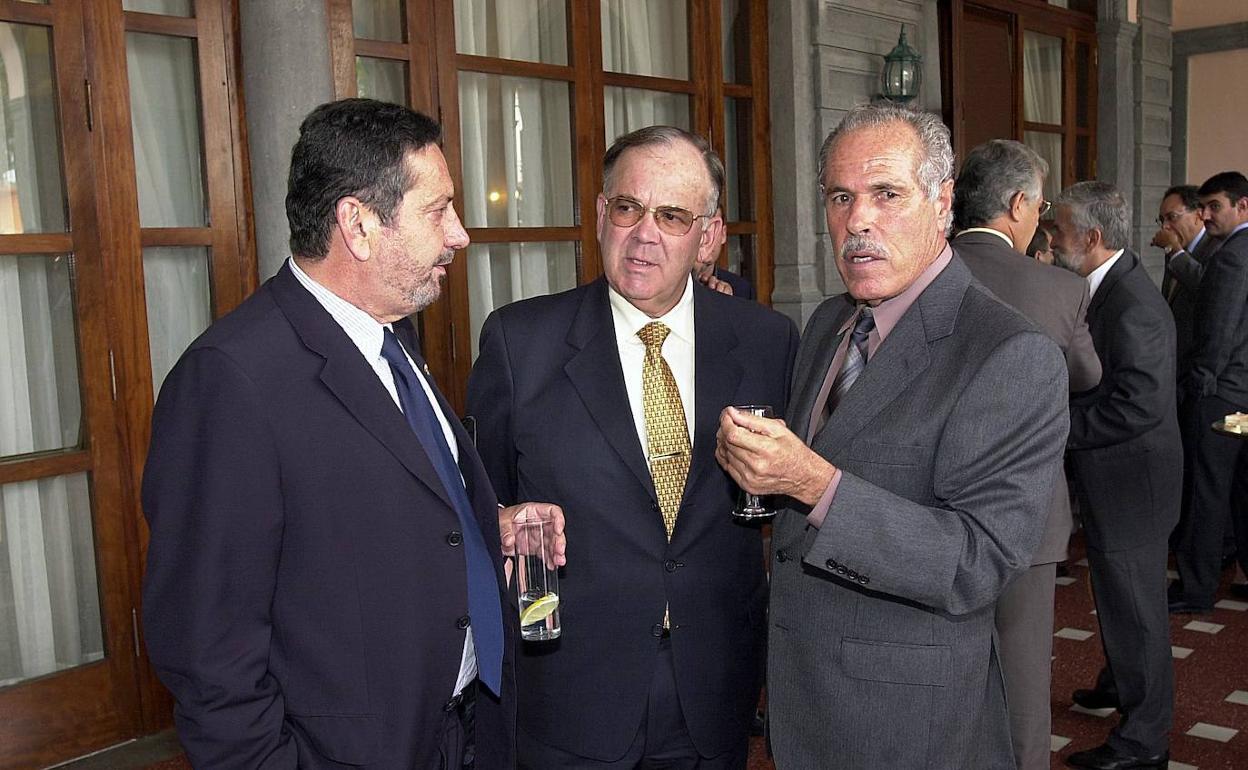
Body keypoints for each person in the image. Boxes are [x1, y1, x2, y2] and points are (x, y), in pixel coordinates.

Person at [142, 98, 566, 769]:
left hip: (464, 731)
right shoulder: (230, 381)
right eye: (438, 211)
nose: (460, 234)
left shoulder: (394, 341)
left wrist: (488, 522)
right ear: (358, 224)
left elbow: (377, 508)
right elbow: (207, 649)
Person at [715, 102, 1068, 769]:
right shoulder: (828, 322)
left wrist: (812, 484)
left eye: (887, 194)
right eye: (840, 197)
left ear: (942, 204)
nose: (858, 221)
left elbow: (977, 561)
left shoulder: (1008, 352)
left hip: (910, 723)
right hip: (802, 695)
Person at [467, 126, 797, 769]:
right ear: (599, 215)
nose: (645, 233)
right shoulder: (520, 343)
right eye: (628, 208)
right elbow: (483, 504)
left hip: (714, 685)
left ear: (707, 236)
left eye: (671, 216)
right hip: (571, 691)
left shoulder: (765, 340)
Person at [951, 138, 1102, 770]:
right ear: (1017, 205)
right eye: (1039, 206)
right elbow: (1088, 376)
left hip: (924, 508)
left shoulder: (919, 272)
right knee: (1020, 690)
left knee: (932, 675)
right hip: (1027, 511)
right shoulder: (1057, 291)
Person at [1051, 181, 1180, 770]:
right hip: (1121, 480)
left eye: (1060, 232)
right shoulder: (1108, 284)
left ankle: (1143, 742)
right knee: (1119, 598)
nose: (1051, 243)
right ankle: (1117, 683)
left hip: (1134, 487)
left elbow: (1139, 404)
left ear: (1093, 238)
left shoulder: (1133, 301)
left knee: (1138, 611)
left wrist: (1059, 428)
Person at [1173, 171, 1248, 613]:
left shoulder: (1233, 255)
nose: (1205, 215)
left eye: (1214, 206)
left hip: (1223, 399)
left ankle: (1196, 589)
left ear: (1243, 206)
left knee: (1208, 491)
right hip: (1243, 399)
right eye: (1202, 207)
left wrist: (1198, 384)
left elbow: (1218, 330)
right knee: (1239, 489)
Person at [1151, 184, 1222, 368]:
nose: (1165, 226)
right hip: (1176, 360)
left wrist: (1174, 251)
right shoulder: (1176, 251)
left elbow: (1207, 288)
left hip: (1202, 363)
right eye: (1162, 220)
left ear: (1199, 215)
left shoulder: (1219, 248)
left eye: (1172, 218)